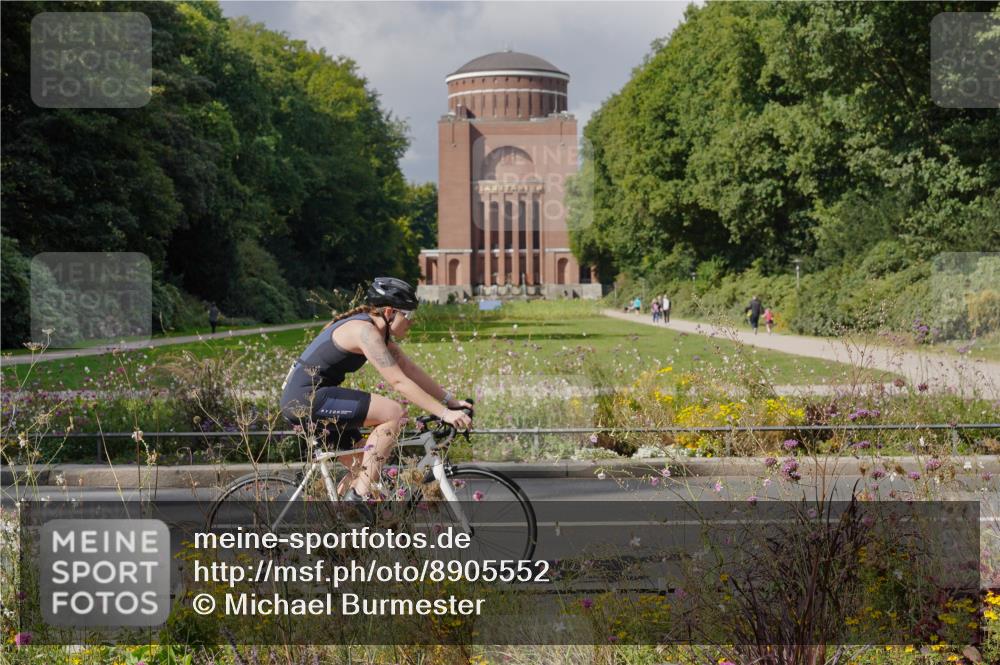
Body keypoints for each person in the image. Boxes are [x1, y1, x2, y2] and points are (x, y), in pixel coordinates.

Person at [279, 277, 473, 505]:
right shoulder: (365, 332)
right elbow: (398, 382)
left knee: (365, 469)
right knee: (394, 412)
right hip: (307, 399)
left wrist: (450, 401)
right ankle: (358, 498)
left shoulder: (375, 332)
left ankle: (340, 522)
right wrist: (444, 413)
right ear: (390, 312)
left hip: (309, 400)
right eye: (408, 316)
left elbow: (409, 368)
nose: (412, 322)